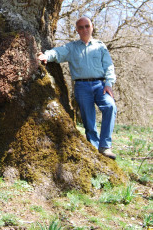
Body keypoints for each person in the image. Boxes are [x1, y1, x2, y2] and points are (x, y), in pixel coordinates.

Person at [38, 16, 117, 160]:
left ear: (92, 27)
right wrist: (46, 56)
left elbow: (109, 66)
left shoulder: (100, 46)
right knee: (88, 119)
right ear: (77, 30)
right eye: (81, 27)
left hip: (100, 86)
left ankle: (105, 146)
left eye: (87, 26)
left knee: (110, 106)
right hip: (81, 86)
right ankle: (93, 147)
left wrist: (109, 84)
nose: (84, 29)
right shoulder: (72, 47)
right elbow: (57, 52)